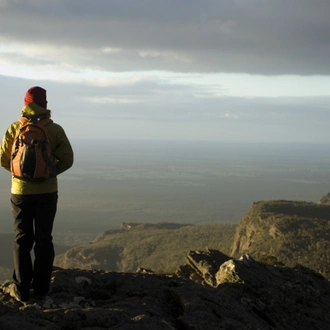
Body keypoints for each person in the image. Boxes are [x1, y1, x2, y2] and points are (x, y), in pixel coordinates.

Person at [0, 86, 74, 302]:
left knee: (22, 239)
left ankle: (21, 290)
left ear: (25, 104)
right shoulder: (55, 130)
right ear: (45, 105)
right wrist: (48, 173)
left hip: (20, 192)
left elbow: (3, 160)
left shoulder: (15, 128)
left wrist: (21, 175)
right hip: (47, 191)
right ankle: (41, 289)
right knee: (44, 239)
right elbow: (68, 160)